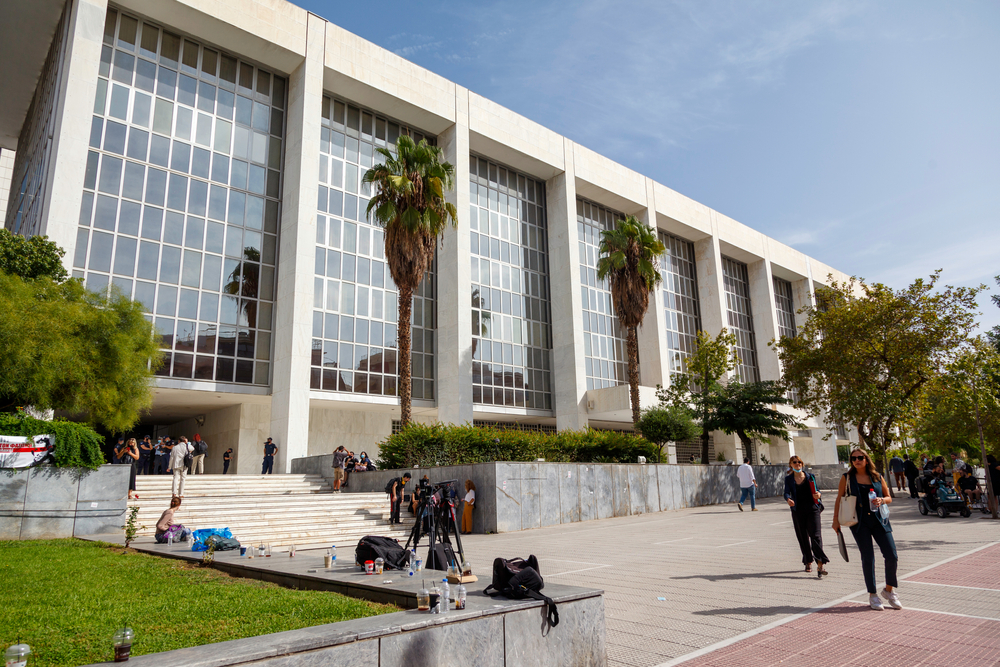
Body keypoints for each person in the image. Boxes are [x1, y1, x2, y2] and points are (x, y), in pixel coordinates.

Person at [833, 448, 900, 611]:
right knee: (868, 557)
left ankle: (889, 590)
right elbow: (839, 499)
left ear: (866, 459)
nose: (857, 460)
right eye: (853, 458)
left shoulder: (877, 477)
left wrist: (881, 500)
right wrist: (836, 521)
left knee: (892, 555)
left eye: (860, 457)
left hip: (880, 521)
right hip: (859, 522)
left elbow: (889, 497)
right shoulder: (847, 478)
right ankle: (872, 594)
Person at [783, 456, 828, 576]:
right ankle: (808, 560)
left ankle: (820, 564)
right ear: (791, 465)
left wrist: (819, 494)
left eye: (799, 462)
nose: (797, 464)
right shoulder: (789, 479)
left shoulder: (810, 476)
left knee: (816, 536)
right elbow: (786, 492)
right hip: (798, 511)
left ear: (802, 464)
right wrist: (788, 499)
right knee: (803, 537)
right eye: (795, 462)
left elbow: (817, 490)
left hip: (813, 509)